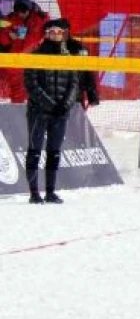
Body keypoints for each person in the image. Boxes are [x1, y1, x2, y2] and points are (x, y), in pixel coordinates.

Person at [23, 19, 79, 204]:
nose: (56, 35)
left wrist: (65, 104)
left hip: (60, 113)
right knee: (35, 151)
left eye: (59, 32)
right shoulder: (35, 56)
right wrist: (51, 105)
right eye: (52, 31)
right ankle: (34, 194)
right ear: (46, 34)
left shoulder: (68, 58)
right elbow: (32, 85)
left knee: (54, 151)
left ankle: (50, 192)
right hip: (39, 112)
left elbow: (74, 85)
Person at [1, 0, 48, 103]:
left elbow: (51, 32)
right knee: (16, 97)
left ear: (29, 8)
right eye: (19, 12)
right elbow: (2, 37)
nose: (21, 14)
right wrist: (9, 36)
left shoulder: (41, 19)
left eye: (24, 11)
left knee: (33, 97)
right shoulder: (12, 18)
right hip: (14, 63)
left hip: (32, 63)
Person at [61, 22, 100, 108]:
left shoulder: (79, 47)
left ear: (68, 31)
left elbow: (87, 72)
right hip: (54, 96)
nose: (62, 34)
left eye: (65, 31)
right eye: (60, 31)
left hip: (75, 94)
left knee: (75, 119)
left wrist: (92, 96)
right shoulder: (47, 47)